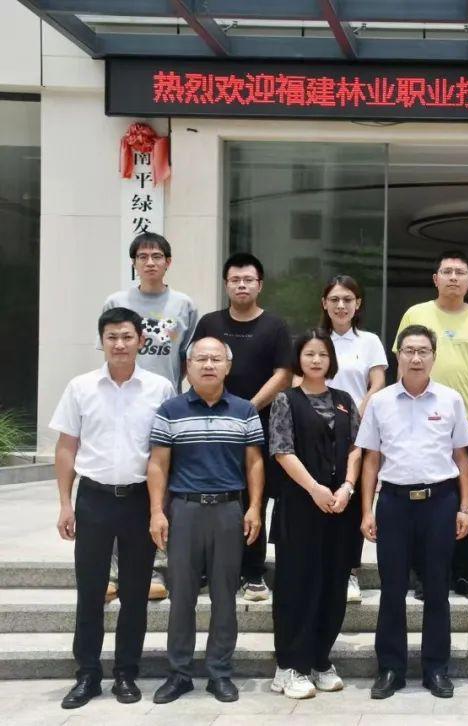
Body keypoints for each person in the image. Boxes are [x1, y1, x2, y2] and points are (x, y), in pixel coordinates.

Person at [51, 308, 176, 709]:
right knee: (90, 591)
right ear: (102, 341)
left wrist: (159, 509)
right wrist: (65, 504)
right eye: (112, 337)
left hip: (139, 500)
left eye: (126, 337)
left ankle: (126, 673)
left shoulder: (160, 388)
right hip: (94, 499)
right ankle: (87, 675)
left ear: (141, 340)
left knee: (136, 594)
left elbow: (165, 453)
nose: (119, 344)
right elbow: (66, 448)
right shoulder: (80, 387)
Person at [356, 325, 468, 700]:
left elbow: (462, 457)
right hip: (394, 503)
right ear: (398, 356)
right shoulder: (380, 402)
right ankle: (390, 668)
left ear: (434, 357)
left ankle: (436, 668)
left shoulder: (450, 400)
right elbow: (370, 460)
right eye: (409, 350)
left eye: (423, 351)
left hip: (440, 502)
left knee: (437, 588)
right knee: (392, 588)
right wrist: (367, 510)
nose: (416, 358)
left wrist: (466, 507)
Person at [147, 337, 265, 704]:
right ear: (188, 366)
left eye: (216, 359)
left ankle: (219, 673)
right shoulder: (170, 410)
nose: (209, 365)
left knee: (224, 596)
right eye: (201, 359)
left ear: (228, 366)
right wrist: (156, 511)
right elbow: (158, 464)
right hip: (184, 511)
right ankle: (179, 673)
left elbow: (254, 463)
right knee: (181, 595)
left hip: (229, 511)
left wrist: (254, 507)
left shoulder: (245, 410)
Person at [396, 250, 468, 602]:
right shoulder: (416, 314)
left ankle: (465, 573)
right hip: (421, 422)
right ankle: (425, 575)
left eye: (460, 272)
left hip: (467, 424)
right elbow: (402, 364)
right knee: (427, 501)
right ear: (435, 278)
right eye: (447, 271)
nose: (453, 277)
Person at [101, 233, 198, 603]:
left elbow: (188, 360)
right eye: (142, 256)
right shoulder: (117, 302)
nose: (150, 262)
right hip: (121, 404)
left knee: (159, 489)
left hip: (164, 407)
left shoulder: (184, 304)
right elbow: (110, 352)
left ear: (168, 262)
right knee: (117, 486)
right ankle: (113, 571)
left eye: (157, 256)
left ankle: (155, 566)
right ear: (134, 263)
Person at [192, 252, 291, 602]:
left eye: (248, 280)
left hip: (257, 425)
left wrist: (247, 408)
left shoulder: (275, 326)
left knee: (254, 497)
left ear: (260, 285)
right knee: (210, 494)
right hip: (211, 424)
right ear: (226, 285)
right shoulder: (209, 323)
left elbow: (284, 374)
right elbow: (196, 365)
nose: (242, 285)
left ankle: (253, 571)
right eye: (235, 280)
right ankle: (210, 566)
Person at [269, 329, 362, 700]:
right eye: (309, 353)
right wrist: (314, 488)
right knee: (297, 585)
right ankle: (290, 666)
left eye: (322, 354)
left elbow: (357, 448)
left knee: (333, 584)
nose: (316, 360)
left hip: (340, 507)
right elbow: (282, 450)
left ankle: (321, 660)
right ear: (299, 359)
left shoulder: (344, 400)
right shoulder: (286, 400)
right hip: (300, 505)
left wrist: (348, 487)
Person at [320, 274, 386, 603]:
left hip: (359, 429)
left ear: (358, 304)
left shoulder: (369, 341)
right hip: (320, 428)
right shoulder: (317, 340)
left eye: (348, 299)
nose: (341, 305)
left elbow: (377, 383)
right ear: (324, 304)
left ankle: (350, 572)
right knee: (323, 496)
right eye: (335, 299)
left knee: (353, 499)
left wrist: (355, 414)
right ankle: (321, 568)